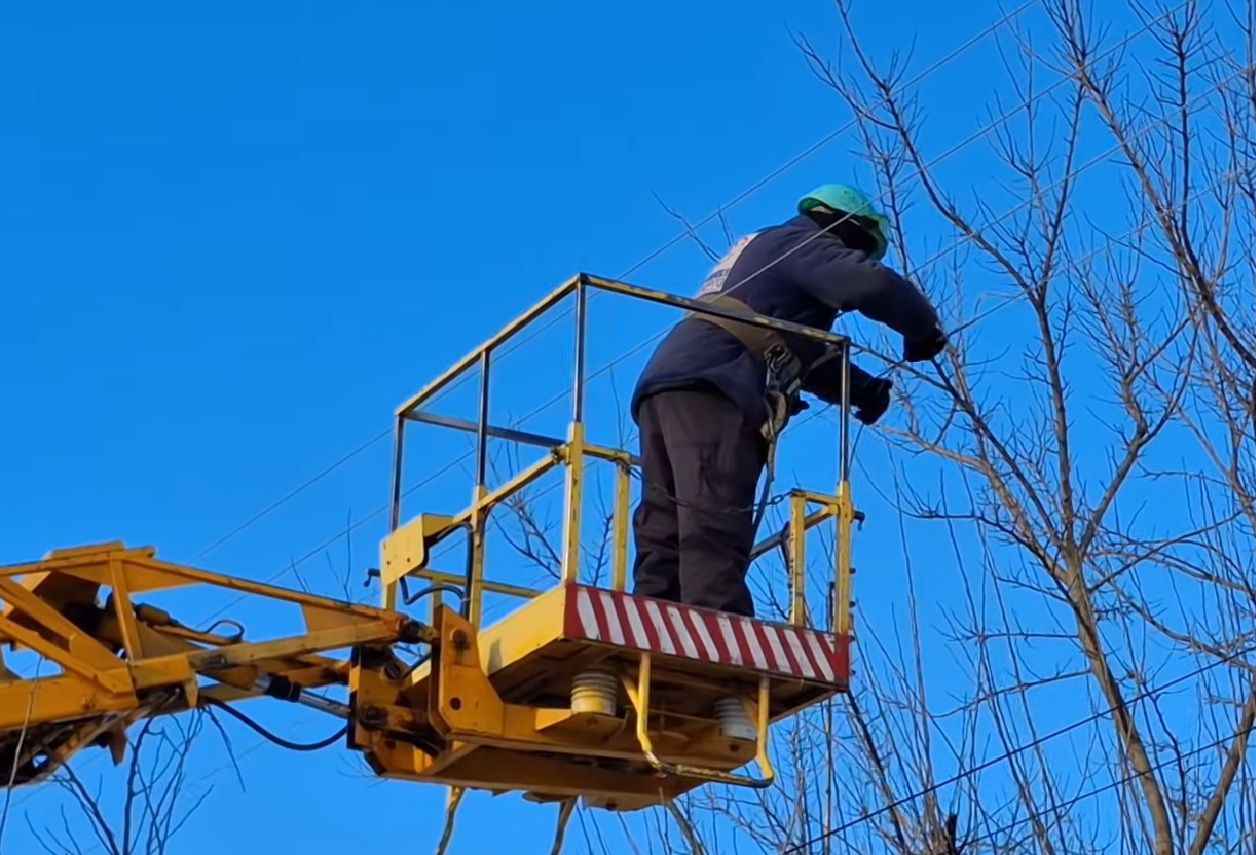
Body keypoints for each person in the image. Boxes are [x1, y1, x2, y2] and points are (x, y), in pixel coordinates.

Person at [629, 184, 947, 618]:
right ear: (846, 227)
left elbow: (792, 349)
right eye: (862, 249)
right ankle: (720, 636)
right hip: (716, 387)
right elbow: (867, 283)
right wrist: (923, 328)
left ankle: (651, 623)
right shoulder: (803, 241)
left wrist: (862, 390)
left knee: (665, 523)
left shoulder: (767, 251)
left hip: (668, 383)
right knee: (712, 513)